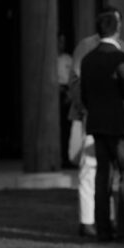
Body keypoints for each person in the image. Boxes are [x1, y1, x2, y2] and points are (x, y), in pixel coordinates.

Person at [75, 8, 124, 242]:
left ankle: (103, 228)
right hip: (122, 125)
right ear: (118, 28)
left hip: (97, 123)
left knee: (102, 177)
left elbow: (83, 96)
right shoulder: (119, 56)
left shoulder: (88, 59)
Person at [57, 33, 73, 168]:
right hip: (55, 93)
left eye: (63, 42)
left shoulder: (68, 59)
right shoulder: (51, 59)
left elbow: (73, 77)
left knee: (66, 128)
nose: (61, 44)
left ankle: (65, 158)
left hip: (67, 93)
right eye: (59, 41)